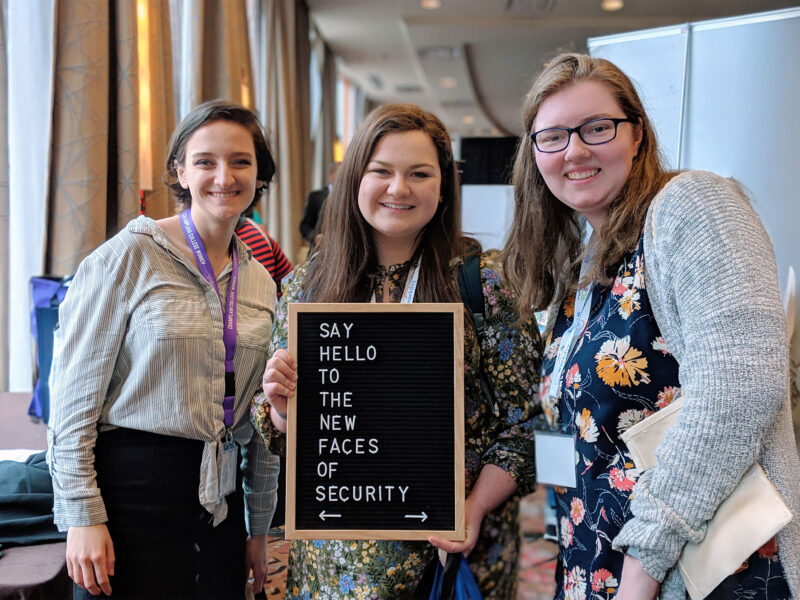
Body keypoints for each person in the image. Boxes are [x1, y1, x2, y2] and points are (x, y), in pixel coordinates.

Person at [502, 52, 800, 599]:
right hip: (603, 567)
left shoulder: (692, 205)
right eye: (554, 136)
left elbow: (741, 387)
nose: (575, 150)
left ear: (637, 135)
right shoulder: (585, 266)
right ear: (534, 155)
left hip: (699, 572)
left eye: (597, 127)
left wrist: (643, 563)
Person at [251, 103, 542, 599]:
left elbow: (525, 424)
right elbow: (281, 427)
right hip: (335, 563)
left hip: (452, 555)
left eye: (419, 173)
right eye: (381, 171)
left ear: (444, 186)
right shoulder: (308, 286)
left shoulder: (484, 284)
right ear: (354, 180)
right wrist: (281, 409)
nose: (398, 188)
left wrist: (470, 509)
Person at [47, 100, 280, 599]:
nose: (224, 176)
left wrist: (258, 526)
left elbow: (263, 418)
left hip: (219, 502)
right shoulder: (128, 258)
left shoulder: (261, 282)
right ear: (180, 170)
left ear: (259, 172)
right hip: (129, 496)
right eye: (205, 161)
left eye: (241, 160)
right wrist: (82, 516)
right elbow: (70, 403)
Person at [298, 162, 339, 246]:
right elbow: (304, 227)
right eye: (339, 173)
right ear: (330, 176)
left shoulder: (352, 197)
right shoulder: (315, 197)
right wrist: (315, 237)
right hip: (320, 250)